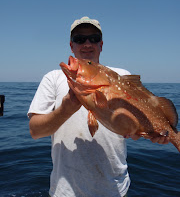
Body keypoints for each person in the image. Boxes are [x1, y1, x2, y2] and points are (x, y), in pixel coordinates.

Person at [28, 16, 169, 197]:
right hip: (65, 192)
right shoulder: (53, 79)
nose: (87, 43)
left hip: (115, 190)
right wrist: (65, 109)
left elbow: (131, 131)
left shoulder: (122, 76)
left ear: (101, 44)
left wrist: (149, 132)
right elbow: (35, 131)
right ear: (72, 46)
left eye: (93, 38)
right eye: (79, 39)